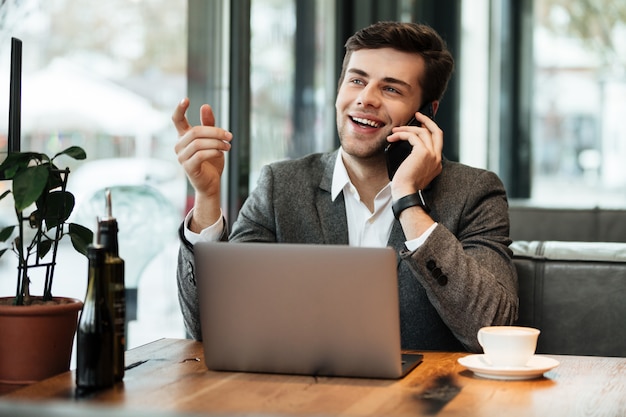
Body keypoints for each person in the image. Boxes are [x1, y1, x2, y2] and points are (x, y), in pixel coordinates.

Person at [172, 21, 518, 352]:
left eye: (391, 88)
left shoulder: (474, 193)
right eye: (357, 80)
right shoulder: (280, 187)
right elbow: (212, 329)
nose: (366, 98)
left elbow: (493, 329)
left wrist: (409, 202)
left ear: (426, 112)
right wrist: (206, 198)